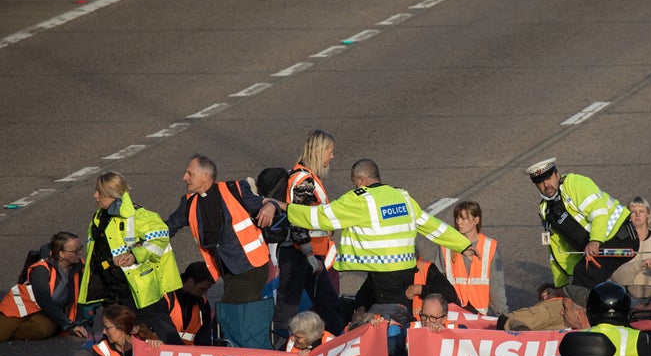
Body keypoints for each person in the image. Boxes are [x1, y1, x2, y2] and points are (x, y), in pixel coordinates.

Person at [270, 158, 474, 310]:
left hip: (384, 273)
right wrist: (462, 245)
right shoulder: (401, 196)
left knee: (391, 318)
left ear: (360, 180)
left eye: (353, 181)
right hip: (405, 270)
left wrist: (286, 208)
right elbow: (430, 225)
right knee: (389, 309)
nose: (354, 186)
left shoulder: (361, 200)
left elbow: (321, 217)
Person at [78, 172, 182, 334]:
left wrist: (135, 255)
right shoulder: (99, 217)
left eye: (99, 192)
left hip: (140, 293)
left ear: (112, 194)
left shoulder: (137, 215)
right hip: (113, 292)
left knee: (159, 338)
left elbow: (161, 237)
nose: (95, 195)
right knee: (121, 341)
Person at [165, 154, 275, 304]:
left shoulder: (235, 189)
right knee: (242, 317)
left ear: (205, 176)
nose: (185, 177)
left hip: (251, 267)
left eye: (190, 173)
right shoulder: (189, 203)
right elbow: (169, 227)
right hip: (226, 271)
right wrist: (144, 242)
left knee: (227, 314)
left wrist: (271, 206)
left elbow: (263, 203)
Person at [525, 158, 639, 289]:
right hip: (597, 251)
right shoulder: (546, 209)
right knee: (580, 284)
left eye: (548, 178)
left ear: (557, 174)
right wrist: (560, 286)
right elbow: (556, 249)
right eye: (540, 182)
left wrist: (595, 240)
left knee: (582, 281)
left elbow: (599, 211)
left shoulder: (575, 183)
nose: (546, 185)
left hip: (620, 238)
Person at [275, 129, 343, 335]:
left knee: (329, 305)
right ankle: (279, 354)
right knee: (287, 312)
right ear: (318, 151)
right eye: (329, 151)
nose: (331, 156)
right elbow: (298, 220)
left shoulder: (308, 177)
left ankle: (336, 346)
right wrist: (309, 256)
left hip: (309, 256)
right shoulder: (305, 181)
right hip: (301, 255)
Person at [0, 232, 89, 341]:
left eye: (81, 248)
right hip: (21, 306)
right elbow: (44, 300)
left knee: (44, 330)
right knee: (2, 334)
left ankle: (11, 331)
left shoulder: (80, 266)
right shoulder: (41, 269)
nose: (80, 253)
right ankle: (7, 329)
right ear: (61, 254)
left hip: (46, 311)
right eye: (76, 251)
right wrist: (69, 324)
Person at [435, 200, 509, 316]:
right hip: (453, 311)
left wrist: (503, 315)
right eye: (457, 218)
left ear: (476, 220)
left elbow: (496, 285)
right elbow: (438, 280)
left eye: (463, 218)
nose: (458, 222)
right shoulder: (446, 246)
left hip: (479, 315)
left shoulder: (489, 247)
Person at [161, 262, 214, 346]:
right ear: (190, 282)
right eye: (202, 289)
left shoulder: (203, 305)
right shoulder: (166, 298)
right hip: (163, 354)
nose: (205, 293)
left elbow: (204, 341)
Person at [496, 285, 566, 331]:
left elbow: (506, 319)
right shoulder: (569, 302)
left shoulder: (546, 309)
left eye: (548, 292)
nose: (545, 296)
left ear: (557, 290)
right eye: (542, 298)